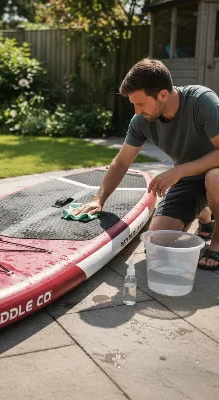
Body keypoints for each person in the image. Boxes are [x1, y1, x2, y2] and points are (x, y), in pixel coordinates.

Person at [73, 58, 219, 269]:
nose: (136, 111)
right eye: (134, 104)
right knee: (157, 242)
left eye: (140, 104)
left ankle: (216, 244)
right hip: (188, 180)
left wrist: (179, 170)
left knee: (214, 177)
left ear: (162, 95)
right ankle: (205, 214)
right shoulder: (141, 121)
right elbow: (121, 162)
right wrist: (99, 199)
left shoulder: (202, 101)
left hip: (213, 175)